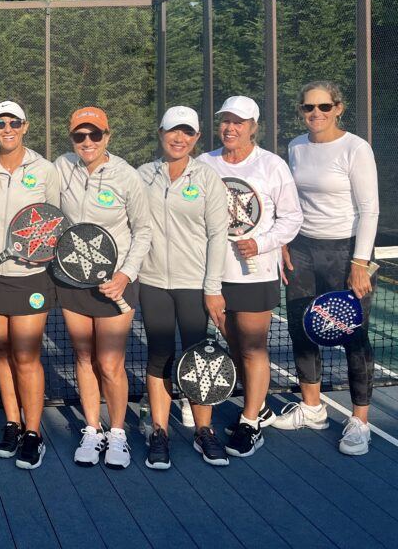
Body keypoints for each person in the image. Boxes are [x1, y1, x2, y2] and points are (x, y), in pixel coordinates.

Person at [197, 96, 302, 457]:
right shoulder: (203, 163)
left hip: (256, 274)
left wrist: (261, 243)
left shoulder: (273, 166)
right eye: (225, 120)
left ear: (254, 127)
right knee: (234, 344)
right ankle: (260, 407)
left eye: (238, 122)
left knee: (254, 346)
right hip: (213, 274)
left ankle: (250, 421)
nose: (230, 128)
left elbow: (291, 218)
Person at [281, 81, 378, 455]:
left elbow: (369, 208)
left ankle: (360, 421)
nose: (315, 114)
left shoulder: (356, 148)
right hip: (303, 248)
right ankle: (312, 407)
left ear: (339, 108)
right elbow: (291, 201)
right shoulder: (296, 146)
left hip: (345, 252)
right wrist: (286, 243)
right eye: (308, 108)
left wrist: (358, 263)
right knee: (301, 325)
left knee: (354, 334)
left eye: (323, 107)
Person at [55, 106, 152, 469]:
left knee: (110, 362)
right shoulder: (61, 167)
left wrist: (125, 274)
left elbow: (143, 229)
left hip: (116, 284)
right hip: (72, 281)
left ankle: (117, 434)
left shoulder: (126, 176)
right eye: (80, 136)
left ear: (107, 136)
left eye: (95, 135)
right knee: (83, 357)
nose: (87, 142)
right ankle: (92, 430)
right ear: (72, 139)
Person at [0, 101, 62, 470]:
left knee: (26, 356)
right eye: (0, 123)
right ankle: (12, 423)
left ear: (25, 126)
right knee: (2, 352)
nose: (7, 128)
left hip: (31, 279)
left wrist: (43, 253)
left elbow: (55, 220)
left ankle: (34, 432)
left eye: (14, 123)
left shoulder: (44, 169)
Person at [136, 107, 230, 468]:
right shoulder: (143, 175)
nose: (179, 138)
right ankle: (159, 430)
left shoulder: (207, 179)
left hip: (194, 285)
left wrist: (212, 287)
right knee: (159, 355)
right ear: (161, 133)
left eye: (187, 133)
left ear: (196, 138)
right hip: (154, 283)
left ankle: (203, 431)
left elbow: (217, 235)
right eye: (173, 131)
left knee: (200, 357)